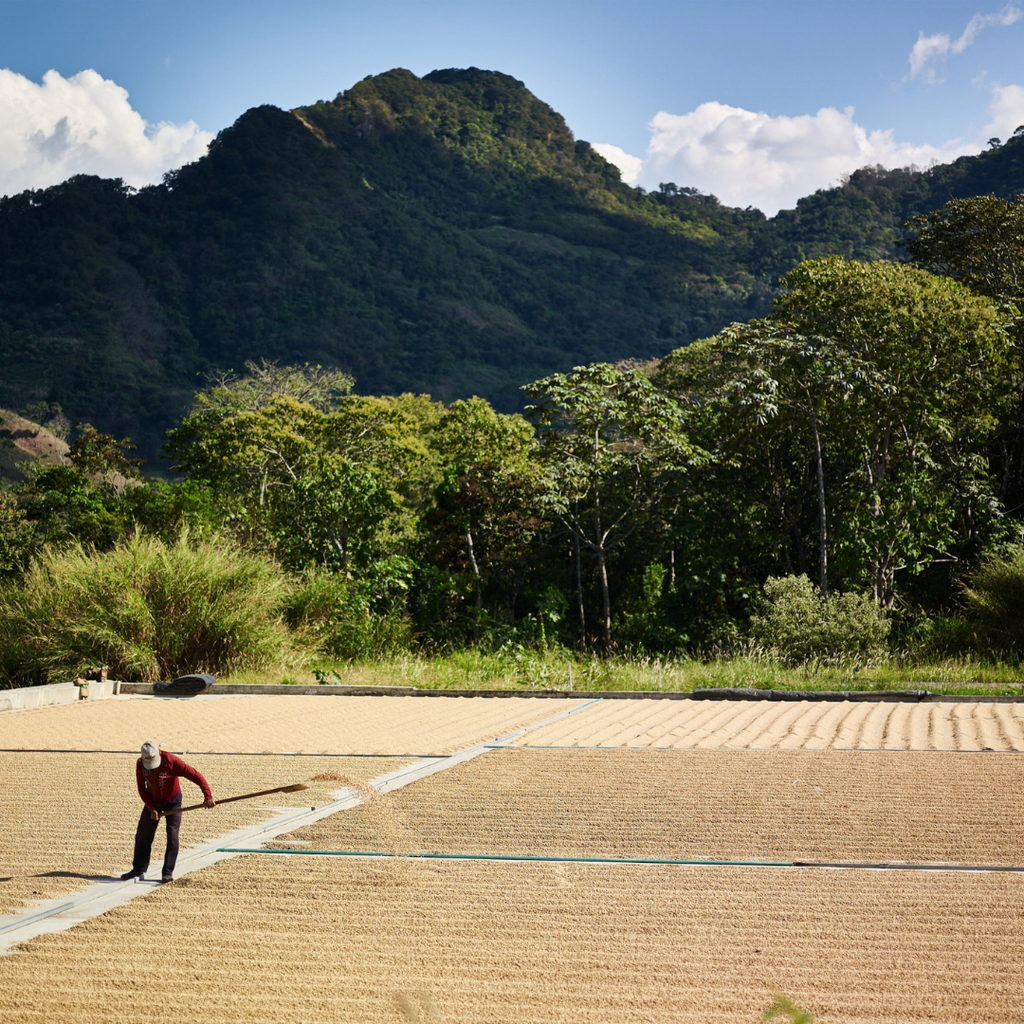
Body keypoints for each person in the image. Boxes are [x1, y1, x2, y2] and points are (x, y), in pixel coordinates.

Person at [121, 741, 215, 883]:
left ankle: (167, 872)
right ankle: (138, 868)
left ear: (159, 753)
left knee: (172, 835)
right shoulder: (140, 764)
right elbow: (142, 788)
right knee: (143, 834)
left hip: (173, 801)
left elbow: (196, 776)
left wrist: (207, 796)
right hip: (153, 802)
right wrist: (151, 808)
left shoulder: (173, 762)